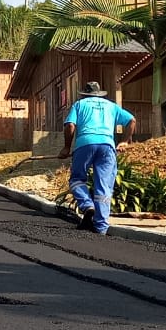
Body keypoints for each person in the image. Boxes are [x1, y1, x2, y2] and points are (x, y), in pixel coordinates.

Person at [57, 81, 136, 234]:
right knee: (104, 185)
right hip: (107, 146)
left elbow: (70, 125)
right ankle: (101, 228)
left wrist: (67, 147)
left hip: (84, 144)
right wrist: (125, 141)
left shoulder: (79, 105)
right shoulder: (111, 106)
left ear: (85, 93)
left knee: (76, 179)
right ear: (99, 94)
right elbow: (132, 120)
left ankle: (87, 206)